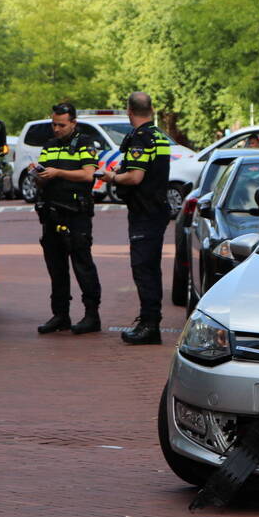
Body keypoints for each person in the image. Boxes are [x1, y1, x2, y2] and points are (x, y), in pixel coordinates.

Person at [101, 92, 171, 345]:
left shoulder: (141, 138)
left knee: (143, 269)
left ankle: (150, 326)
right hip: (156, 209)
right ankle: (150, 322)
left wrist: (111, 177)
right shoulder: (159, 136)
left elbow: (134, 177)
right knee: (150, 267)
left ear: (129, 111)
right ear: (151, 109)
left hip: (145, 211)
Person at [32, 103, 103, 335]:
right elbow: (43, 178)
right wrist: (39, 175)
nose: (56, 129)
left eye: (61, 125)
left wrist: (58, 172)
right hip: (52, 213)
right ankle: (60, 315)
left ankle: (92, 316)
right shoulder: (50, 145)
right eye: (54, 124)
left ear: (73, 123)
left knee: (82, 265)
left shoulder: (84, 143)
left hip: (76, 214)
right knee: (56, 267)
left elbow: (88, 174)